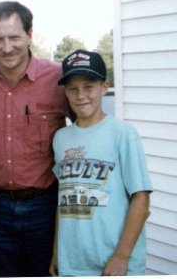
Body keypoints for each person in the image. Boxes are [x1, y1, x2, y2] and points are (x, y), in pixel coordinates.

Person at [0, 1, 72, 277]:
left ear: (30, 35)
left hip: (45, 205)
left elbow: (89, 128)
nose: (7, 47)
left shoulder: (57, 78)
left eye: (14, 37)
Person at [49, 49, 152, 276]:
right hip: (73, 262)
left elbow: (141, 200)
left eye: (89, 87)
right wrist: (57, 253)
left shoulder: (122, 134)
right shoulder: (61, 138)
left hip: (114, 263)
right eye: (73, 89)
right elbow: (63, 199)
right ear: (65, 92)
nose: (81, 95)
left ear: (104, 87)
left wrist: (121, 257)